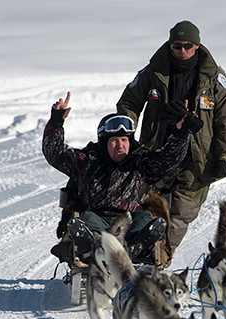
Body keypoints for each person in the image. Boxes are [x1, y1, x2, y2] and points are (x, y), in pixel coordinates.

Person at [116, 20, 226, 259]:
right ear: (170, 46)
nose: (182, 51)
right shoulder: (153, 72)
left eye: (187, 45)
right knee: (148, 209)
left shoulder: (215, 79)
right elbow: (128, 103)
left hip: (196, 160)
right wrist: (125, 134)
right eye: (176, 46)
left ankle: (158, 261)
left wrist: (224, 157)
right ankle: (133, 258)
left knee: (182, 213)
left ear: (197, 46)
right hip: (156, 153)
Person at [42, 91, 201, 263]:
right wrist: (56, 121)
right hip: (98, 219)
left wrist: (181, 133)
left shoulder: (142, 163)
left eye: (124, 140)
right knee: (86, 217)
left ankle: (134, 248)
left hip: (130, 220)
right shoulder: (87, 161)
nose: (120, 145)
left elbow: (170, 157)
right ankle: (97, 245)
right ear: (104, 142)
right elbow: (55, 153)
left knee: (146, 218)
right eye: (114, 141)